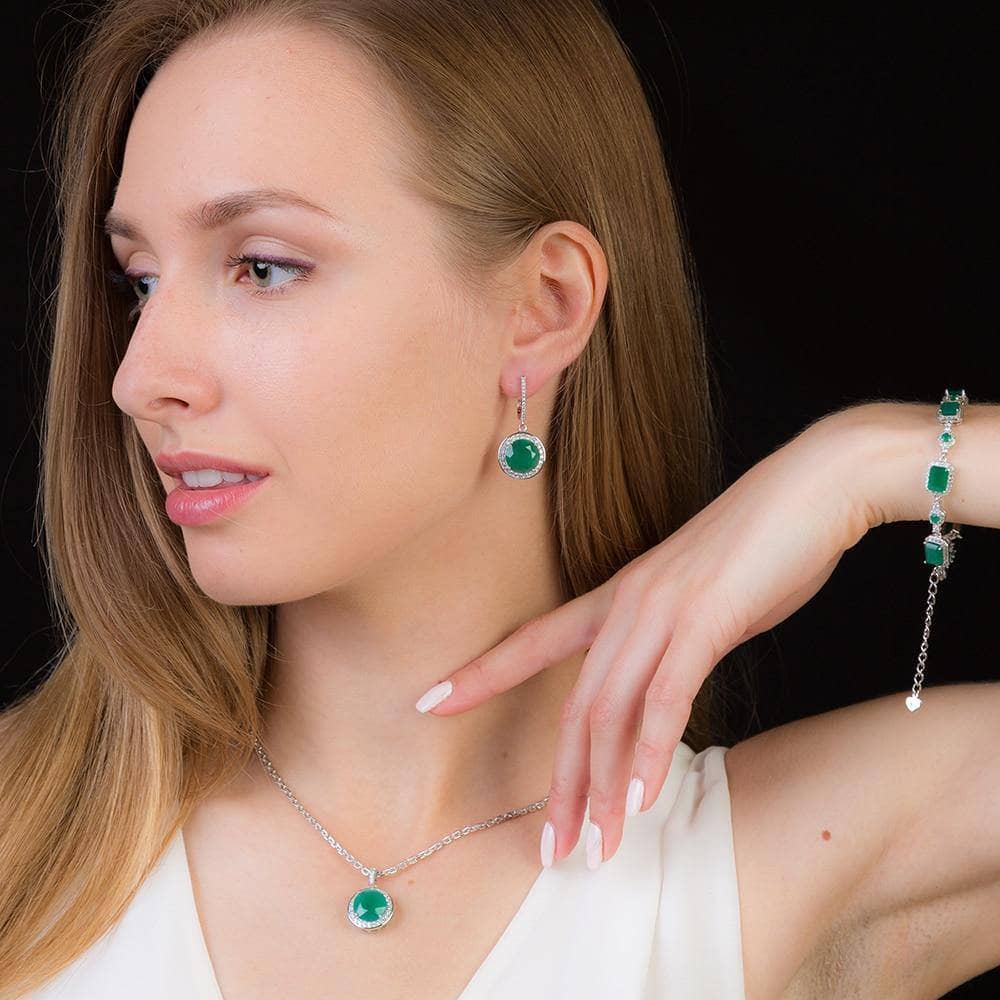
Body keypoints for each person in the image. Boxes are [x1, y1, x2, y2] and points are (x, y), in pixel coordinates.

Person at [1, 2, 997, 998]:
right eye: (140, 281)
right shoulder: (27, 829)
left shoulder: (787, 863)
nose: (139, 380)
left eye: (262, 267)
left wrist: (867, 462)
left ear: (544, 306)